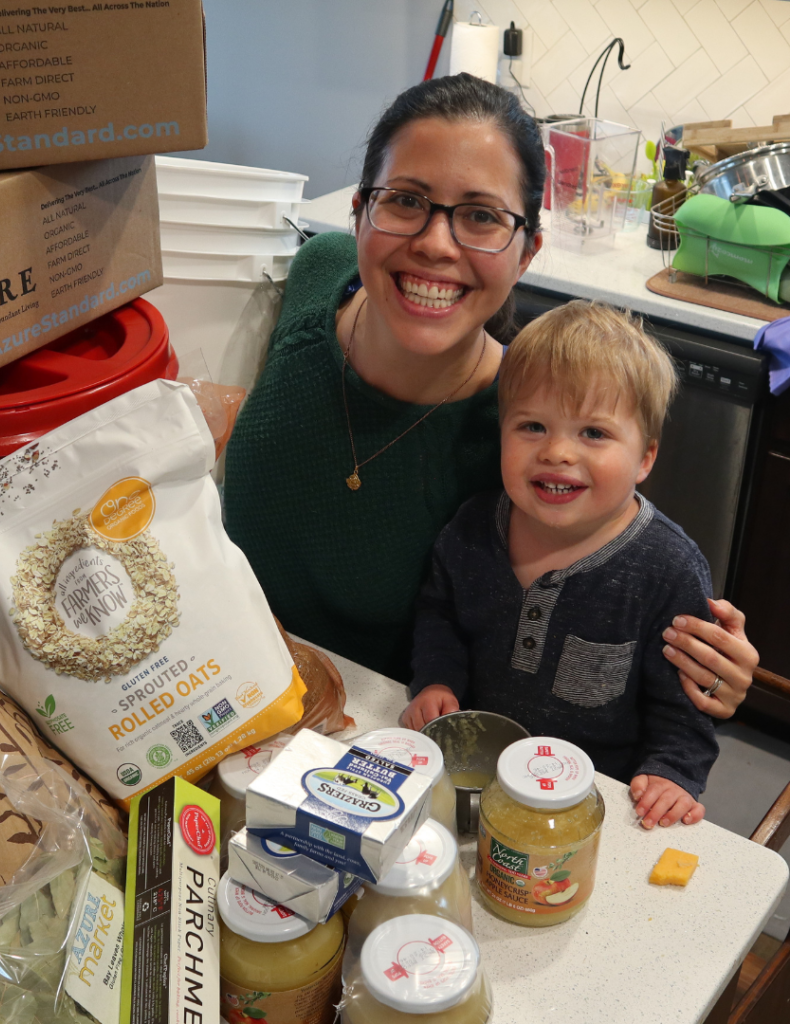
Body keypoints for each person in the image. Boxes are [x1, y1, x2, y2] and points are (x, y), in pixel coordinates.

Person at [223, 73, 757, 720]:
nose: (435, 243)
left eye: (480, 216)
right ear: (359, 211)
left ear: (527, 251)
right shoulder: (318, 275)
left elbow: (622, 589)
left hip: (361, 739)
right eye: (405, 200)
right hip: (215, 675)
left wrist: (696, 667)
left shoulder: (525, 437)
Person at [404, 301, 717, 829]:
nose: (557, 452)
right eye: (532, 426)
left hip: (597, 803)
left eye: (593, 433)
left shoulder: (670, 569)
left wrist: (671, 773)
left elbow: (683, 705)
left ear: (645, 457)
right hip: (482, 778)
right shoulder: (474, 527)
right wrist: (435, 680)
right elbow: (441, 616)